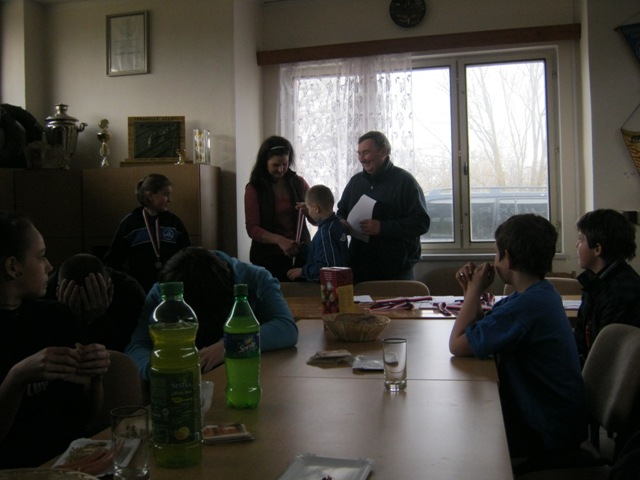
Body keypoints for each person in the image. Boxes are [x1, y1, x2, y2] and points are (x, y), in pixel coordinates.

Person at [449, 214, 585, 459]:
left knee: (459, 431)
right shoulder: (540, 293)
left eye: (496, 254)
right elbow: (478, 328)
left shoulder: (526, 307)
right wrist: (471, 292)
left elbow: (457, 345)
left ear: (508, 258)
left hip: (544, 429)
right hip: (555, 418)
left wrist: (474, 291)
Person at [0, 213, 110, 468]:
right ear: (13, 267)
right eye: (41, 256)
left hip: (73, 462)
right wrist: (17, 378)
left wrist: (96, 377)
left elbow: (85, 415)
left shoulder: (56, 316)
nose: (50, 266)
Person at [125, 246, 298, 381]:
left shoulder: (255, 279)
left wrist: (230, 345)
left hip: (246, 376)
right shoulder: (165, 291)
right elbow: (137, 346)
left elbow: (286, 327)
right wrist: (157, 368)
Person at [336, 131, 430, 283]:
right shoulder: (355, 182)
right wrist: (342, 222)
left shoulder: (405, 182)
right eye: (359, 153)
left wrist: (382, 227)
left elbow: (421, 223)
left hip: (396, 271)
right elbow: (341, 212)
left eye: (366, 153)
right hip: (360, 268)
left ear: (384, 152)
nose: (361, 159)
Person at [104, 173, 191, 292]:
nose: (170, 200)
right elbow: (114, 259)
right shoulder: (130, 223)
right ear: (150, 196)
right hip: (139, 288)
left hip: (170, 286)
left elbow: (187, 253)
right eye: (165, 194)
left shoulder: (174, 222)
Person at [574, 209, 640, 363]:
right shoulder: (595, 282)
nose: (576, 245)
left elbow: (606, 355)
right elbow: (580, 340)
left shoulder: (623, 293)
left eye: (581, 240)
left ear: (597, 249)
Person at [46, 253, 146, 352]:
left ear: (108, 287)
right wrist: (67, 316)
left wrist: (100, 319)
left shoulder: (129, 292)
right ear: (58, 290)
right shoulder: (46, 293)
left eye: (90, 300)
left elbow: (133, 347)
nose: (86, 309)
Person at [244, 136, 311, 282]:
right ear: (264, 163)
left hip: (300, 255)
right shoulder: (254, 188)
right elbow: (252, 229)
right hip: (268, 258)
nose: (281, 170)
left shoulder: (299, 183)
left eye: (285, 164)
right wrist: (279, 240)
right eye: (275, 165)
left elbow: (318, 217)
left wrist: (310, 212)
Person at [287, 184, 349, 282]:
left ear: (316, 209)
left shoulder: (325, 233)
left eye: (308, 208)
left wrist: (302, 272)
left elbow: (327, 269)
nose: (308, 212)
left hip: (330, 288)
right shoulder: (338, 224)